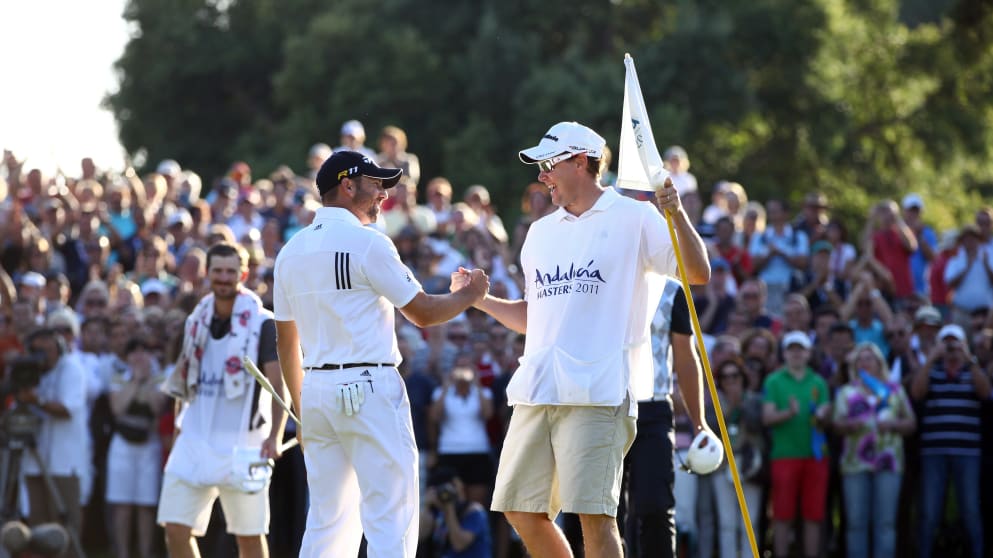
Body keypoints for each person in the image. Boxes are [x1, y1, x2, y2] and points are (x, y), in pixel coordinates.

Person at [452, 122, 711, 557]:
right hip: (537, 388)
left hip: (600, 391)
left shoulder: (635, 216)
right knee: (520, 511)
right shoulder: (539, 234)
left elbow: (698, 272)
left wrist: (676, 214)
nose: (542, 177)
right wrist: (481, 300)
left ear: (580, 162)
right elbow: (535, 317)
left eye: (549, 165)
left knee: (594, 516)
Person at [272, 150, 489, 557]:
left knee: (326, 523)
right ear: (347, 185)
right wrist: (471, 296)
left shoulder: (290, 251)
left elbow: (286, 344)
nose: (383, 195)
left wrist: (301, 412)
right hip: (367, 388)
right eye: (376, 185)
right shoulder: (368, 243)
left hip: (315, 392)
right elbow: (422, 312)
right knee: (391, 518)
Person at [157, 242, 289, 558]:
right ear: (208, 274)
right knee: (175, 529)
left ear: (243, 274)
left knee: (249, 537)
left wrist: (275, 435)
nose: (224, 278)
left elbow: (278, 385)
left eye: (231, 271)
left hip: (244, 444)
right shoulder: (195, 320)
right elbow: (183, 379)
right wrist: (178, 431)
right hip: (195, 438)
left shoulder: (262, 322)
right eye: (218, 271)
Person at [619, 277, 708, 558]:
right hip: (603, 407)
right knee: (603, 512)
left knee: (656, 506)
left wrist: (699, 423)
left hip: (653, 408)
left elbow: (685, 356)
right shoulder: (599, 276)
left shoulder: (672, 288)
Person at [910, 324, 989, 558]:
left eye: (956, 343)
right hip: (933, 451)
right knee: (929, 511)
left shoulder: (973, 371)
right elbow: (916, 392)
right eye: (947, 344)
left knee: (971, 510)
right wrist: (931, 358)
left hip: (968, 452)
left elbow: (985, 393)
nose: (952, 349)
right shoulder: (932, 371)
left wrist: (969, 359)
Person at [833, 342, 916, 558]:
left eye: (869, 358)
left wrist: (894, 425)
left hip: (888, 462)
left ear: (880, 363)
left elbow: (911, 423)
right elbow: (836, 424)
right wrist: (849, 425)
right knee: (856, 523)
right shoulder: (847, 391)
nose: (865, 363)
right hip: (854, 464)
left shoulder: (894, 390)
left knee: (885, 523)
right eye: (860, 359)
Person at [19, 328, 89, 558]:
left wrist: (35, 400)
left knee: (65, 523)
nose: (43, 355)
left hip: (64, 461)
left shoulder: (72, 369)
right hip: (34, 459)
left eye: (48, 348)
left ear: (58, 346)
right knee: (37, 524)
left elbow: (67, 408)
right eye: (38, 349)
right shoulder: (31, 372)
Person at [762, 331, 831, 558]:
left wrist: (822, 415)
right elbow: (767, 417)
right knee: (782, 516)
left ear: (808, 353)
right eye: (792, 349)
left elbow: (827, 414)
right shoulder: (774, 381)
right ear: (784, 353)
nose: (796, 353)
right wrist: (788, 413)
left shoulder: (818, 382)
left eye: (800, 349)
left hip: (816, 457)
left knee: (813, 516)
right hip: (784, 456)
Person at [419, 467, 493, 558]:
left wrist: (449, 509)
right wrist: (427, 507)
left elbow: (458, 544)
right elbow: (420, 536)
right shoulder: (437, 511)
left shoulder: (474, 511)